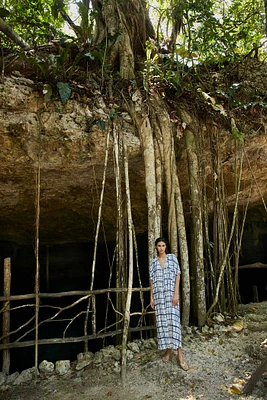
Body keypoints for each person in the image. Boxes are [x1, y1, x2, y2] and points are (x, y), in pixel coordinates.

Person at [150, 237, 188, 370]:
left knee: (174, 324)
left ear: (166, 247)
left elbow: (178, 275)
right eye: (159, 246)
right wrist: (152, 298)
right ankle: (168, 351)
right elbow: (152, 281)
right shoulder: (154, 262)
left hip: (171, 296)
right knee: (162, 325)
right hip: (159, 297)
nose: (161, 248)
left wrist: (176, 294)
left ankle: (180, 354)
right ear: (156, 247)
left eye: (163, 245)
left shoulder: (172, 258)